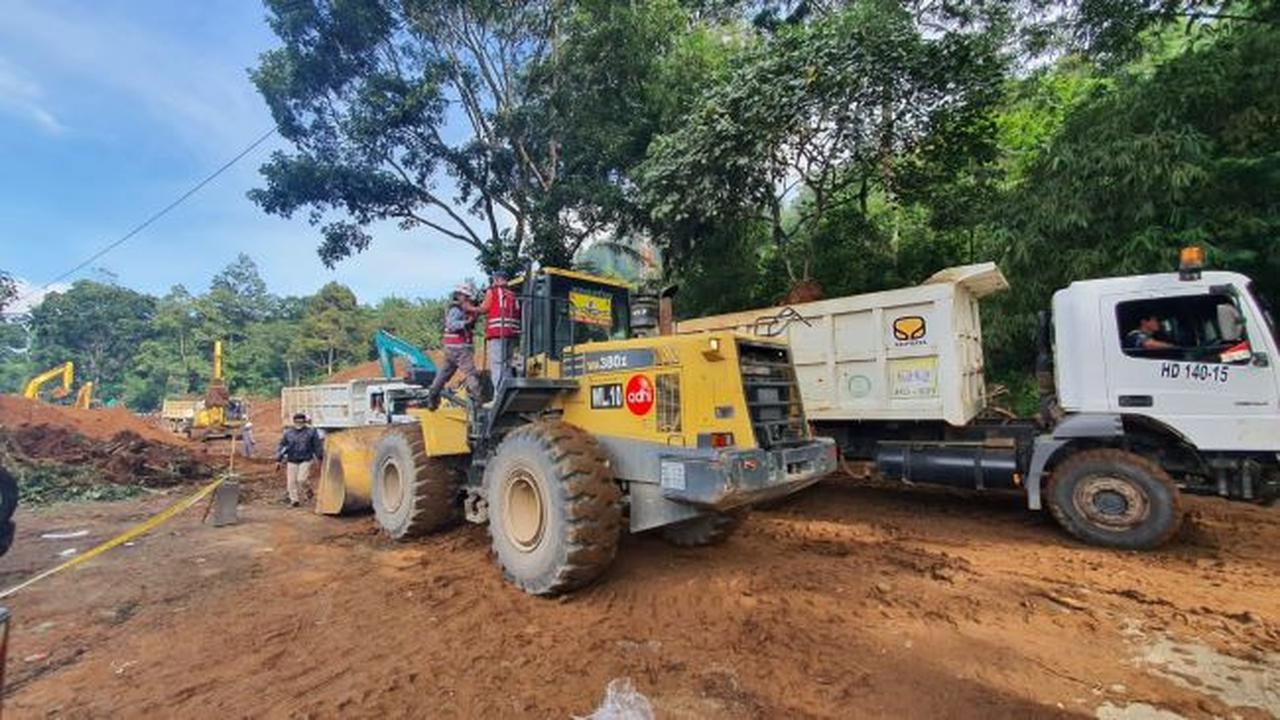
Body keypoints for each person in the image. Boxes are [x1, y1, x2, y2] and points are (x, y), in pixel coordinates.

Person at [426, 283, 482, 410]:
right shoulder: (456, 309)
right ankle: (478, 400)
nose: (469, 299)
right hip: (459, 347)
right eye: (467, 297)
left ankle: (432, 397)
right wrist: (466, 323)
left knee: (444, 373)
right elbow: (451, 324)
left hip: (451, 348)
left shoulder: (460, 308)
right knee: (471, 373)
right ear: (460, 295)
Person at [478, 269, 521, 391]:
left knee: (497, 365)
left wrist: (470, 309)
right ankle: (509, 392)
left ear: (496, 279)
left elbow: (484, 308)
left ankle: (499, 395)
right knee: (507, 365)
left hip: (497, 334)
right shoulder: (513, 295)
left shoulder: (493, 292)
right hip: (511, 334)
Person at [275, 413, 323, 507]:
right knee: (291, 482)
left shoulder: (311, 432)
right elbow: (282, 446)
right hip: (292, 459)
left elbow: (317, 446)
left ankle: (308, 490)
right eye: (297, 422)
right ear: (294, 422)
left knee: (302, 479)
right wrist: (278, 460)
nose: (299, 424)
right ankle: (294, 501)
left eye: (301, 422)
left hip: (306, 458)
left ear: (305, 422)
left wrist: (320, 457)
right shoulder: (288, 433)